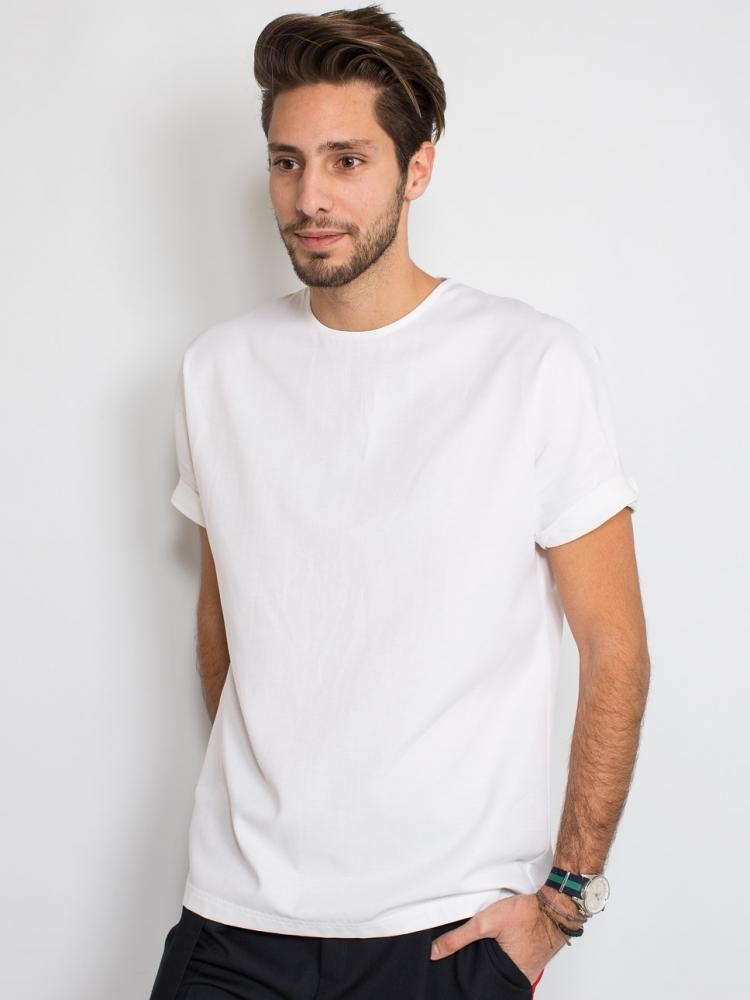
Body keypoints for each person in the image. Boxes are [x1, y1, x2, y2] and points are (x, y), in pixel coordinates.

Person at [148, 5, 650, 998]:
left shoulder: (528, 362)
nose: (311, 197)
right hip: (236, 923)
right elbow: (226, 617)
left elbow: (616, 650)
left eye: (348, 161)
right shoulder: (217, 372)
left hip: (445, 935)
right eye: (287, 162)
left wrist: (563, 900)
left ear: (417, 170)